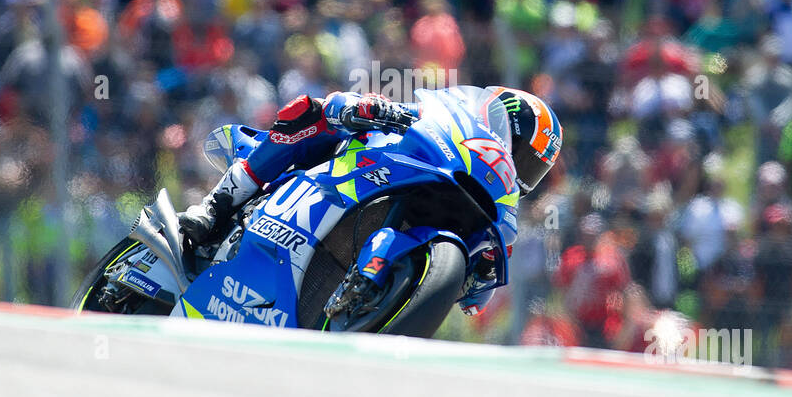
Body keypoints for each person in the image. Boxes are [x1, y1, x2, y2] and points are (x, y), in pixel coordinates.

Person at [179, 85, 563, 292]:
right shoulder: (448, 126)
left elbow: (476, 300)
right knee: (310, 111)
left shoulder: (500, 210)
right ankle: (217, 205)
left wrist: (480, 272)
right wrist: (368, 109)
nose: (522, 171)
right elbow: (353, 107)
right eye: (523, 153)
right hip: (357, 165)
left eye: (534, 168)